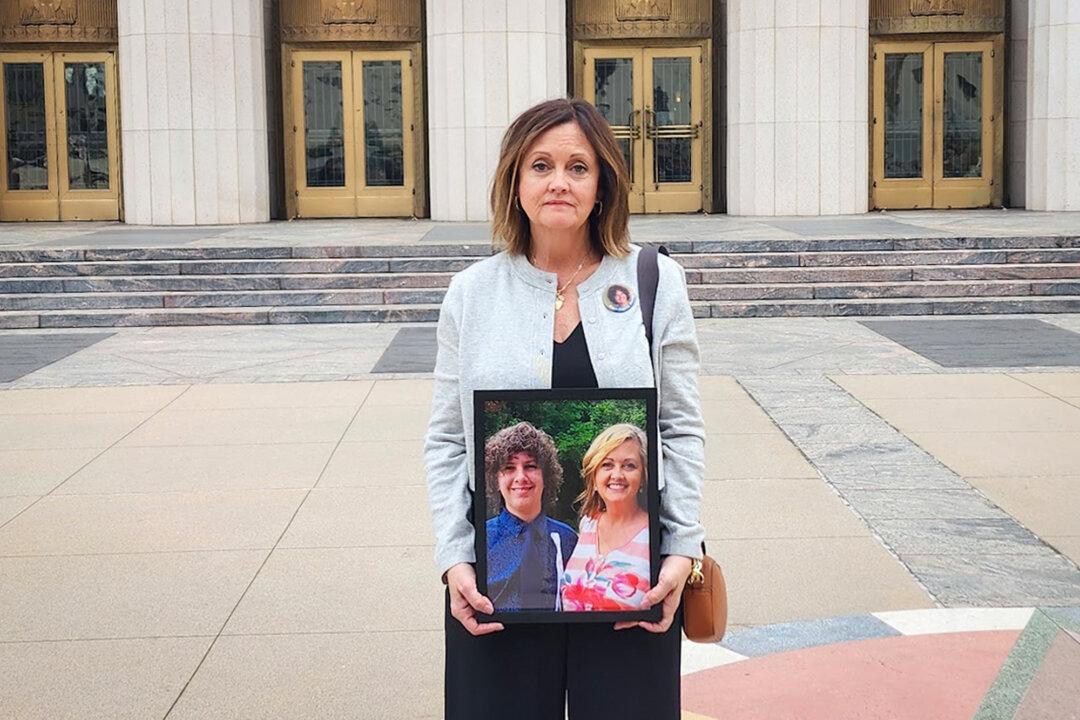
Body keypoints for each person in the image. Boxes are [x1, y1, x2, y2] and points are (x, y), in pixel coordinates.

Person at [425, 97, 705, 719]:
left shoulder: (656, 281)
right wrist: (453, 558)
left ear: (602, 183)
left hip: (630, 584)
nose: (559, 181)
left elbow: (680, 429)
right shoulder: (471, 294)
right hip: (496, 590)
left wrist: (682, 547)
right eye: (541, 165)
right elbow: (447, 440)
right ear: (515, 181)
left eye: (578, 167)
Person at [484, 422, 578, 611]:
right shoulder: (480, 539)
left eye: (530, 466)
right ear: (496, 479)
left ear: (546, 476)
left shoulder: (567, 539)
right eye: (509, 468)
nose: (521, 477)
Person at [561, 424, 651, 612]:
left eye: (629, 465)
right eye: (607, 465)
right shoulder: (588, 524)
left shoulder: (655, 533)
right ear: (594, 477)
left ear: (643, 477)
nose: (617, 475)